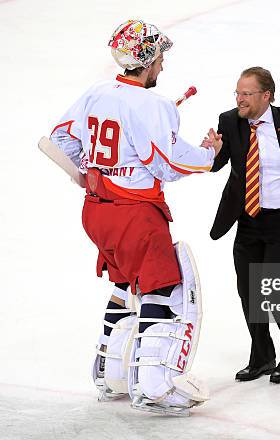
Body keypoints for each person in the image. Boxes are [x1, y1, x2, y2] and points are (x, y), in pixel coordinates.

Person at [49, 19, 222, 416]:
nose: (162, 66)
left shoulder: (98, 92)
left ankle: (109, 376)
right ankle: (153, 387)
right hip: (135, 214)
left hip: (96, 211)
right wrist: (207, 155)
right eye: (160, 58)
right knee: (164, 289)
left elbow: (61, 136)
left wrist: (93, 171)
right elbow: (167, 163)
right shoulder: (153, 104)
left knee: (127, 284)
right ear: (146, 61)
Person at [210, 67, 280, 383]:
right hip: (249, 216)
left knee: (273, 285)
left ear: (266, 95)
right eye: (237, 93)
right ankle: (261, 355)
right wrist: (214, 152)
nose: (240, 100)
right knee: (248, 289)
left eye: (246, 94)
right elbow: (218, 163)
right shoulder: (230, 120)